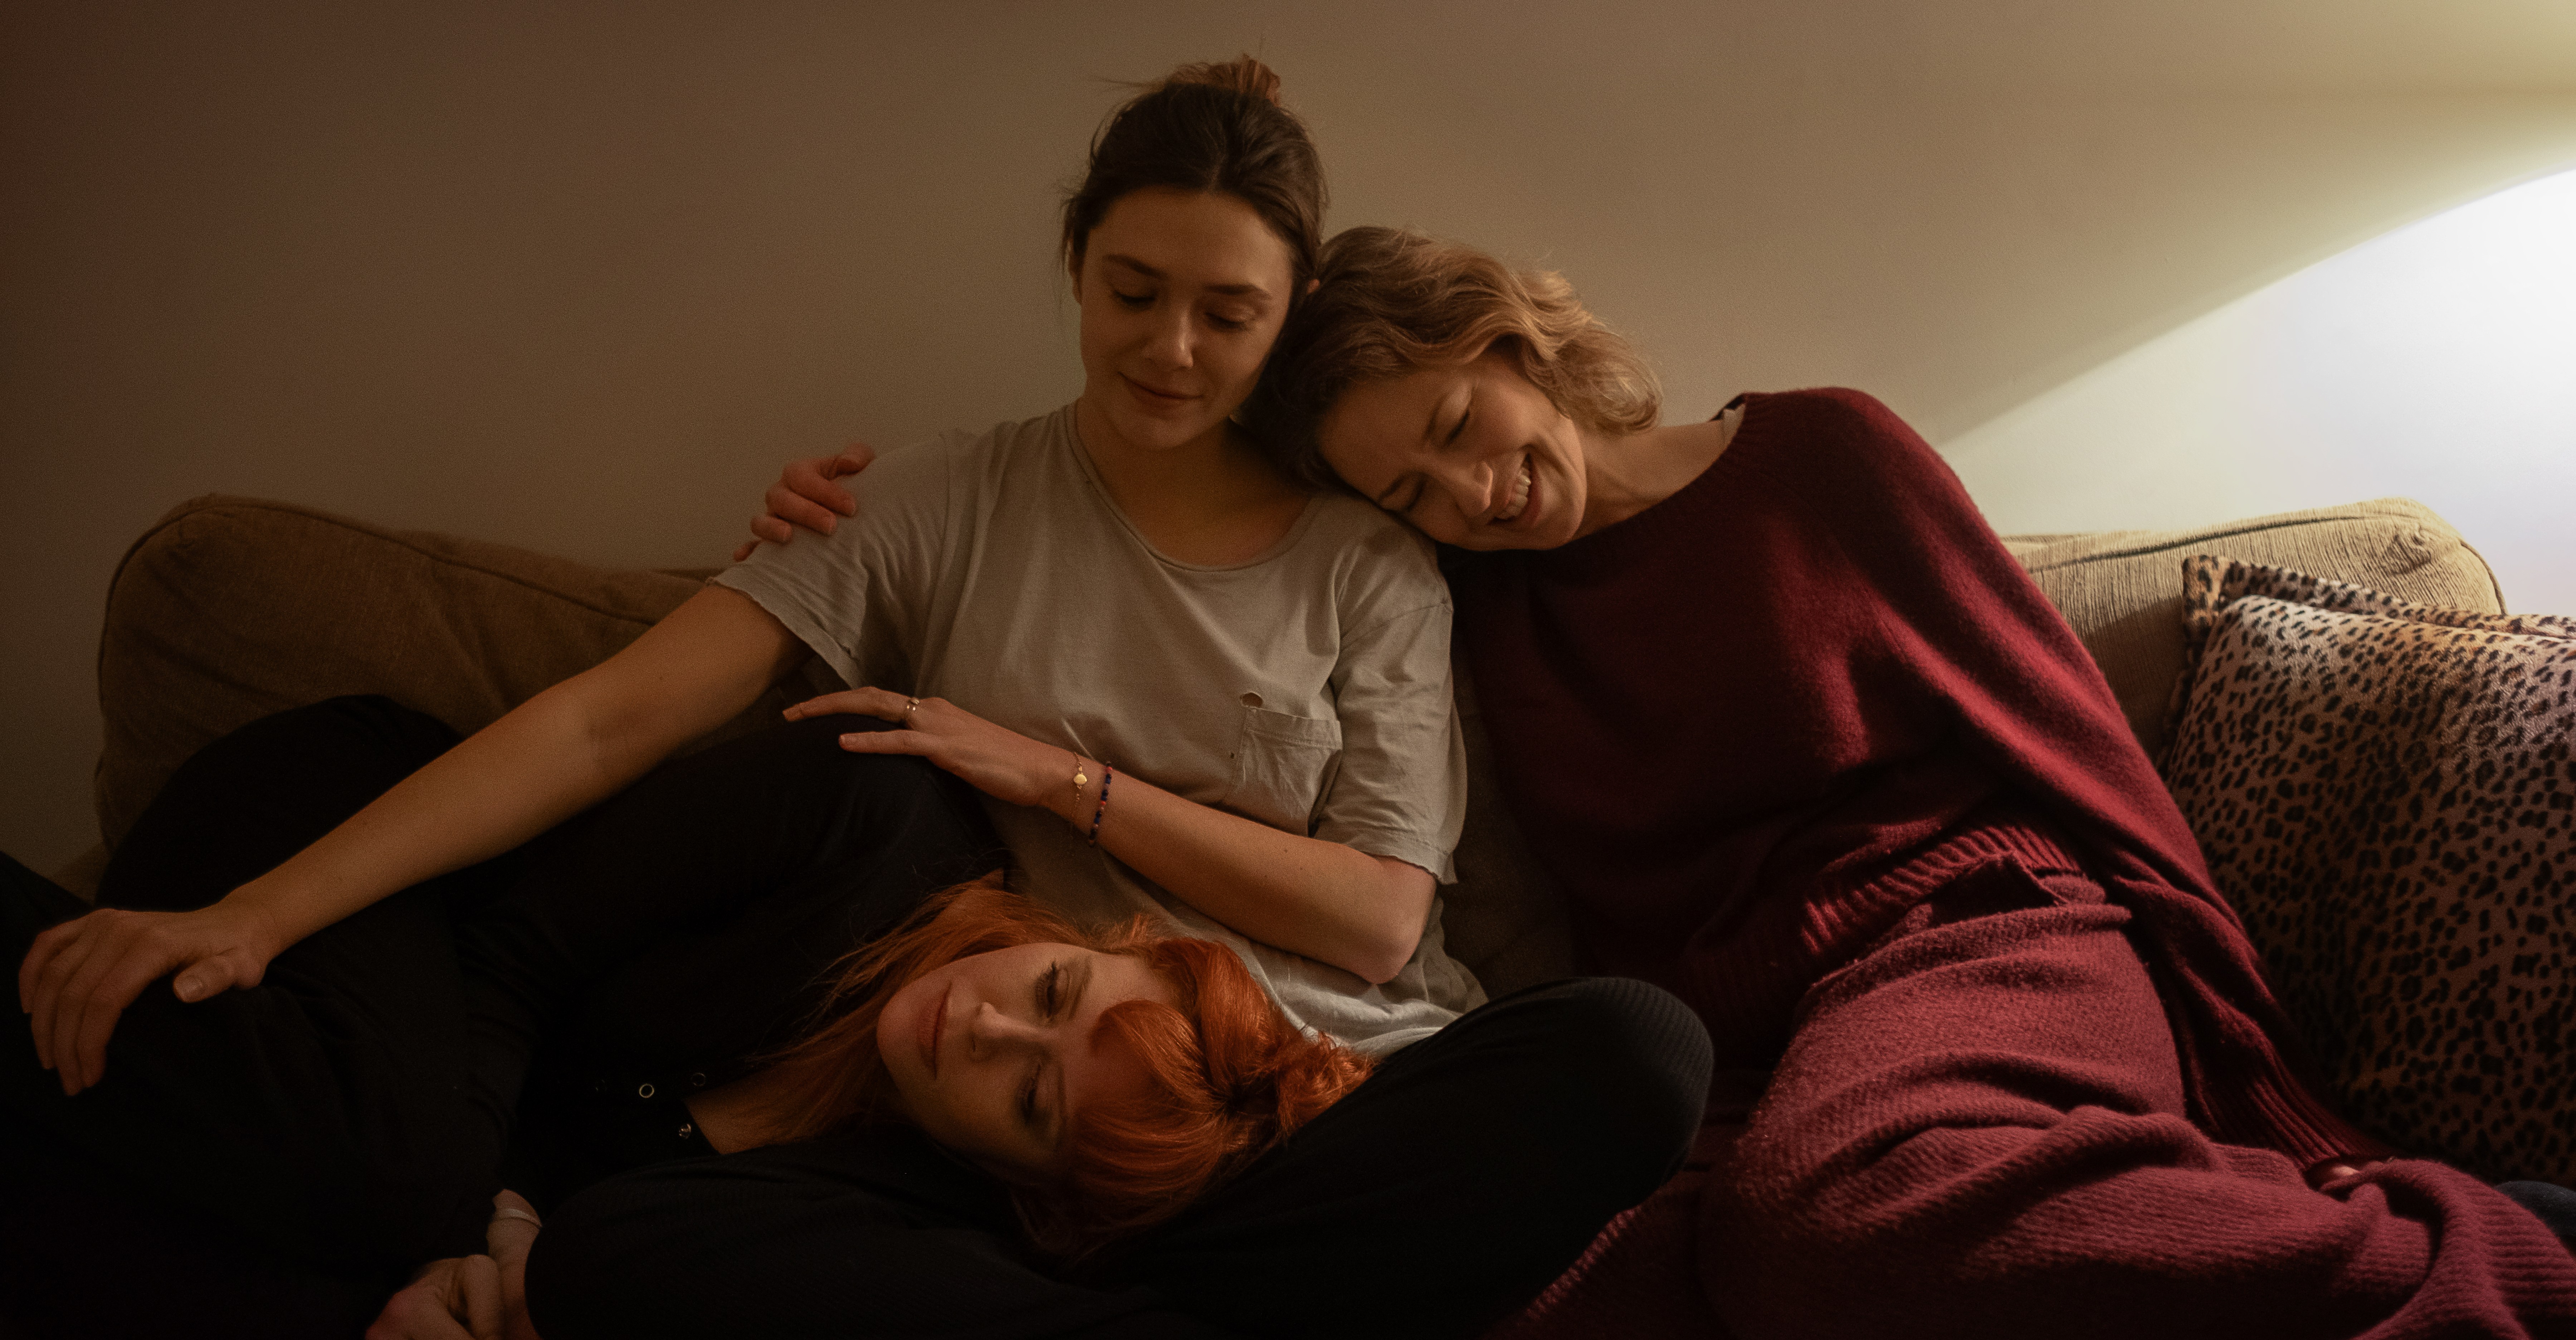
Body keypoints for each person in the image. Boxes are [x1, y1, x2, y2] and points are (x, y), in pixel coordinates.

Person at [15, 64, 1709, 1340]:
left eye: (1229, 314)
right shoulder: (934, 503)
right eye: (1136, 294)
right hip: (1031, 1152)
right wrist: (258, 912)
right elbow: (611, 722)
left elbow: (1377, 918)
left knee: (1639, 1048)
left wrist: (1055, 778)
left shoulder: (1366, 559)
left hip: (1323, 1109)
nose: (1176, 352)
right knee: (624, 1255)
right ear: (1072, 269)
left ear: (1285, 322)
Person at [1235, 225, 2576, 1337]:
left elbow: (2063, 731)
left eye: (1463, 425)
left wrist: (2242, 1043)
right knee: (1580, 1298)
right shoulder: (1478, 614)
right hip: (1783, 1048)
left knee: (1817, 1232)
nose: (1473, 490)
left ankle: (2505, 1255)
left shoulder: (1819, 459)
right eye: (1414, 490)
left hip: (1996, 930)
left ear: (1512, 344)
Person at [5, 695, 1360, 1340]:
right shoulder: (878, 825)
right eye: (1052, 993)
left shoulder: (888, 1217)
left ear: (1031, 1187)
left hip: (338, 1112)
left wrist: (485, 1280)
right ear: (1092, 940)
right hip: (357, 860)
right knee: (385, 1181)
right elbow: (516, 947)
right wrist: (479, 1233)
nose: (984, 1029)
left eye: (1031, 1101)